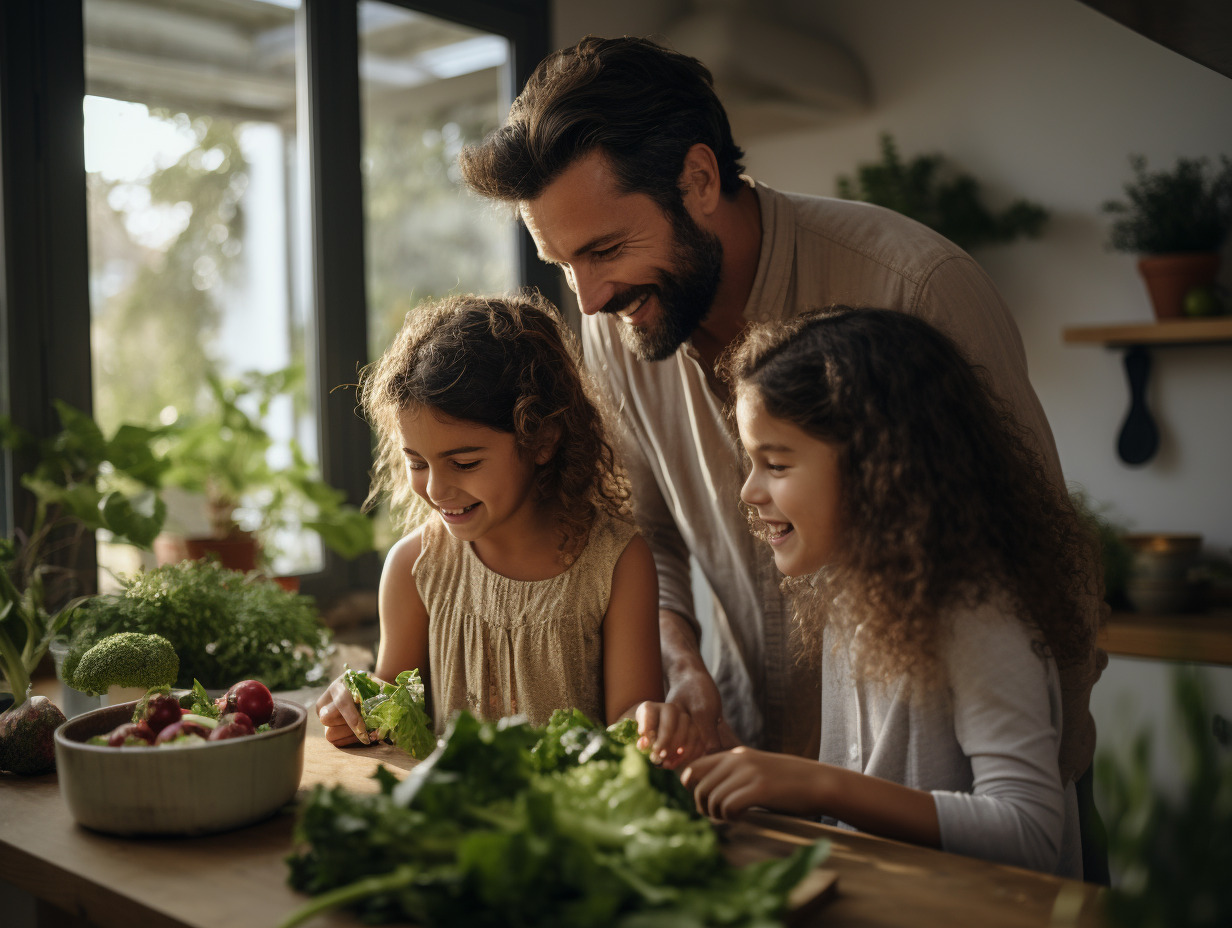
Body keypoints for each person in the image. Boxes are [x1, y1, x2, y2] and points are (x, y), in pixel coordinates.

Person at [458, 35, 1105, 783]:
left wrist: (1031, 824)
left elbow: (1042, 575)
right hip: (763, 776)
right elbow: (648, 537)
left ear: (698, 178)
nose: (590, 299)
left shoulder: (917, 288)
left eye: (605, 249)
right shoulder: (615, 328)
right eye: (563, 265)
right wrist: (683, 667)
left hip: (968, 802)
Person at [680, 307, 1096, 878]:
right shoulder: (853, 589)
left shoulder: (977, 613)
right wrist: (730, 767)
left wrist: (820, 785)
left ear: (876, 468)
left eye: (774, 463)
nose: (749, 491)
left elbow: (1029, 833)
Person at [315, 293, 695, 764]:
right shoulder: (414, 567)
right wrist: (357, 707)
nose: (435, 488)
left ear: (543, 439)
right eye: (416, 462)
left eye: (464, 462)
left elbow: (628, 722)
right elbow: (392, 709)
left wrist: (652, 722)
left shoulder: (617, 563)